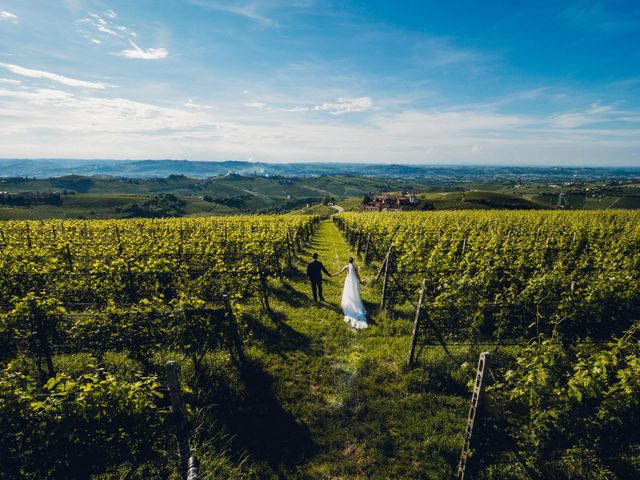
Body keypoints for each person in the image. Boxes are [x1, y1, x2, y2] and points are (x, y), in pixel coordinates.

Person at [332, 257, 367, 329]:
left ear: (348, 261)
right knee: (354, 292)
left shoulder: (346, 267)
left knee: (347, 292)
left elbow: (340, 272)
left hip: (348, 281)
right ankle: (355, 301)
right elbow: (357, 275)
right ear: (353, 261)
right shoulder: (355, 267)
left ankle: (348, 302)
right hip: (354, 282)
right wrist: (360, 281)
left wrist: (333, 275)